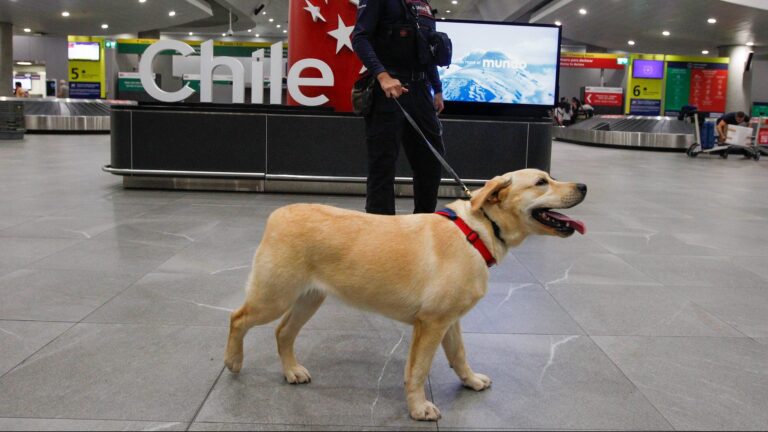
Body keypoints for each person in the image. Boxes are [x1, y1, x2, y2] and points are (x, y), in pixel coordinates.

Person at [352, 0, 445, 215]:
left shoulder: (424, 5)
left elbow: (428, 50)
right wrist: (382, 76)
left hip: (421, 90)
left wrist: (437, 89)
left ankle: (424, 223)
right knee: (382, 164)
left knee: (431, 161)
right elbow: (360, 37)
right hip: (388, 90)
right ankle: (380, 229)